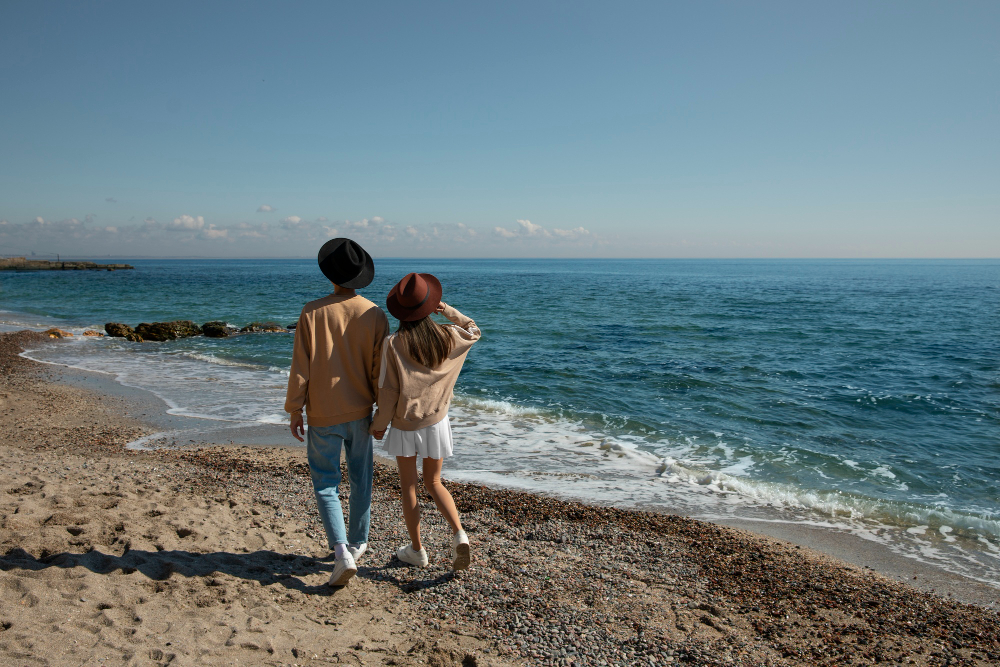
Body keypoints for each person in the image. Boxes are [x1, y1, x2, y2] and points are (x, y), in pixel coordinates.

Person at [285, 238, 389, 586]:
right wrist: (381, 414)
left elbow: (301, 365)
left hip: (323, 413)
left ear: (329, 274)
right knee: (361, 479)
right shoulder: (375, 314)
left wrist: (294, 408)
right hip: (362, 411)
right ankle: (359, 543)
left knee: (325, 483)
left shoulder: (312, 311)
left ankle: (341, 551)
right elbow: (380, 371)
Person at [370, 272, 481, 570]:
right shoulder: (448, 336)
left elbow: (388, 392)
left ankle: (417, 550)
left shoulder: (393, 344)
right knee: (434, 481)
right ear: (428, 306)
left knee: (409, 486)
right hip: (437, 422)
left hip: (406, 425)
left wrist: (379, 425)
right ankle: (460, 534)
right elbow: (474, 329)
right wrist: (446, 310)